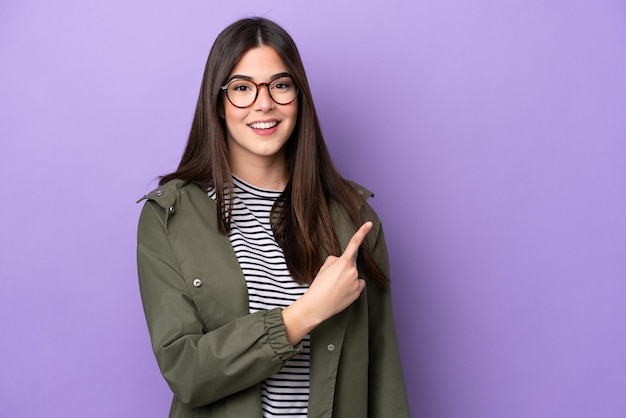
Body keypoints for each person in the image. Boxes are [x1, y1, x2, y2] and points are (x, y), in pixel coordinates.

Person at [137, 17, 410, 418]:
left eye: (280, 85)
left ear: (299, 97)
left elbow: (383, 377)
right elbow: (187, 372)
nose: (264, 104)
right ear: (218, 103)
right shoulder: (169, 218)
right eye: (243, 88)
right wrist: (304, 314)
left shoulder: (354, 219)